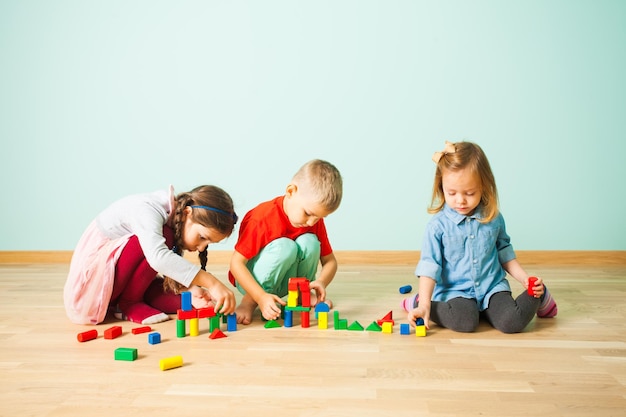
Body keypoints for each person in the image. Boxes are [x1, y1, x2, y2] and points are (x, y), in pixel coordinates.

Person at [402, 141, 557, 333]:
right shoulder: (437, 226)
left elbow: (505, 254)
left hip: (491, 287)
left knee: (512, 323)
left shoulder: (494, 218)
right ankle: (418, 302)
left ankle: (539, 295)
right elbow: (429, 267)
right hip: (456, 292)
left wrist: (525, 280)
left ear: (484, 186)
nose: (460, 200)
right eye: (452, 193)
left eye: (469, 193)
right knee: (465, 322)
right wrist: (425, 304)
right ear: (441, 187)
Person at [64, 185, 238, 325]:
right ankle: (128, 304)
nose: (201, 248)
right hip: (92, 287)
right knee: (165, 237)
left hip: (118, 283)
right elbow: (157, 258)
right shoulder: (149, 210)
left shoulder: (174, 220)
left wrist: (190, 290)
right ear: (187, 213)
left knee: (187, 303)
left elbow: (156, 268)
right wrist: (211, 282)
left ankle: (134, 300)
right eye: (202, 238)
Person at [229, 159, 343, 324]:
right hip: (252, 280)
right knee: (285, 247)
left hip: (286, 279)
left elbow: (330, 261)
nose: (312, 222)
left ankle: (301, 294)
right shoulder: (262, 218)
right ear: (291, 191)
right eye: (308, 213)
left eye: (319, 217)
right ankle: (249, 301)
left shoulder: (313, 222)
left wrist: (321, 282)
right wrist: (259, 296)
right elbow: (236, 264)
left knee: (310, 242)